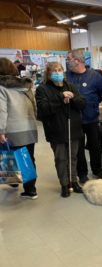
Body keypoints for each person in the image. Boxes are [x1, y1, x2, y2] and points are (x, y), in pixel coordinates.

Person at [36, 62, 86, 198]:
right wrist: (60, 97)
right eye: (54, 71)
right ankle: (64, 184)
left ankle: (73, 181)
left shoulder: (71, 86)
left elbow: (82, 104)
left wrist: (73, 97)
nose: (58, 73)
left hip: (73, 129)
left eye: (60, 70)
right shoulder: (42, 89)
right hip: (56, 130)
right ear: (49, 74)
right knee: (61, 159)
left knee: (73, 157)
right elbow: (43, 109)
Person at [0, 57, 38, 199]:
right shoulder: (26, 84)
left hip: (13, 129)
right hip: (29, 126)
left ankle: (14, 181)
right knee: (28, 158)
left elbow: (2, 111)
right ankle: (31, 189)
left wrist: (1, 131)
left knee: (10, 155)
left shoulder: (1, 87)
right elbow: (34, 106)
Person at [66, 49, 102, 183]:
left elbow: (101, 94)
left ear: (77, 61)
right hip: (74, 119)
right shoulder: (67, 76)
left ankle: (97, 170)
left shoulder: (95, 76)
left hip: (92, 118)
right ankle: (82, 174)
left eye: (68, 58)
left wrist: (92, 105)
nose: (67, 61)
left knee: (95, 146)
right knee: (78, 149)